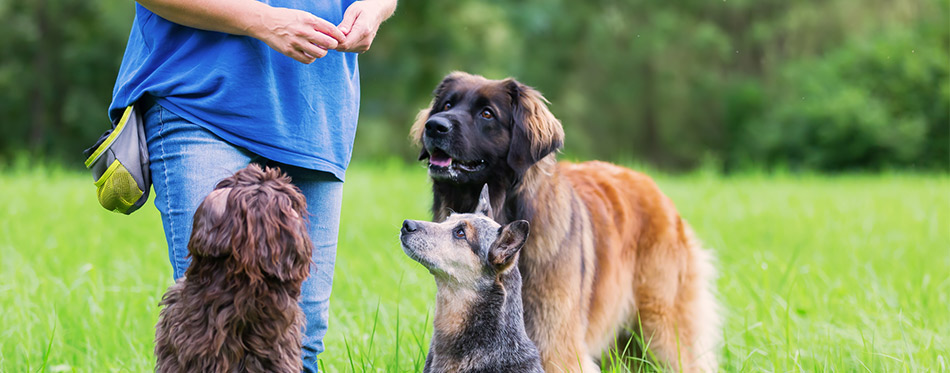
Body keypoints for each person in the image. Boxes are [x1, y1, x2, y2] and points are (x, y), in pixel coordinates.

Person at [108, 0, 396, 370]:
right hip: (202, 96)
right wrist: (263, 20)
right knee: (210, 334)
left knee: (300, 346)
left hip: (315, 113)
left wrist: (373, 10)